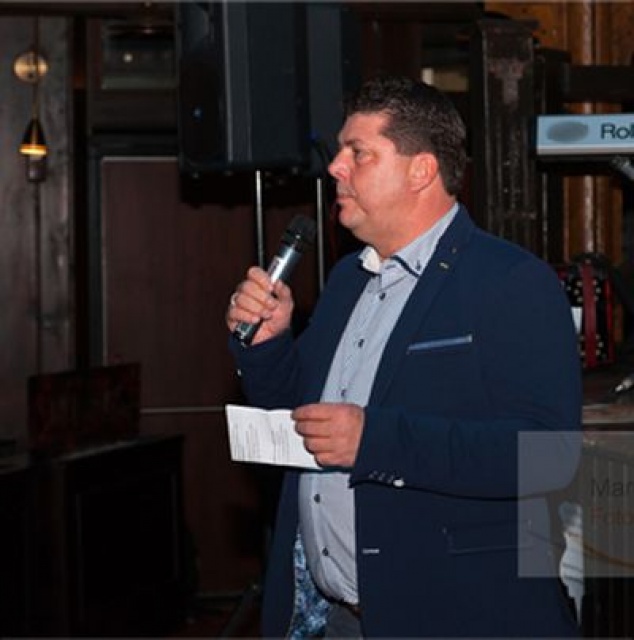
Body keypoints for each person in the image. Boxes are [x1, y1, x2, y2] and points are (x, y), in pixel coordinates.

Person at [226, 76, 582, 638]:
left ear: (421, 171)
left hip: (455, 619)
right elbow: (300, 418)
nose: (335, 167)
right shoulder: (348, 280)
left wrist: (377, 441)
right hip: (337, 618)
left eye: (358, 153)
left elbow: (549, 456)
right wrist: (269, 345)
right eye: (340, 152)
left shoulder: (511, 281)